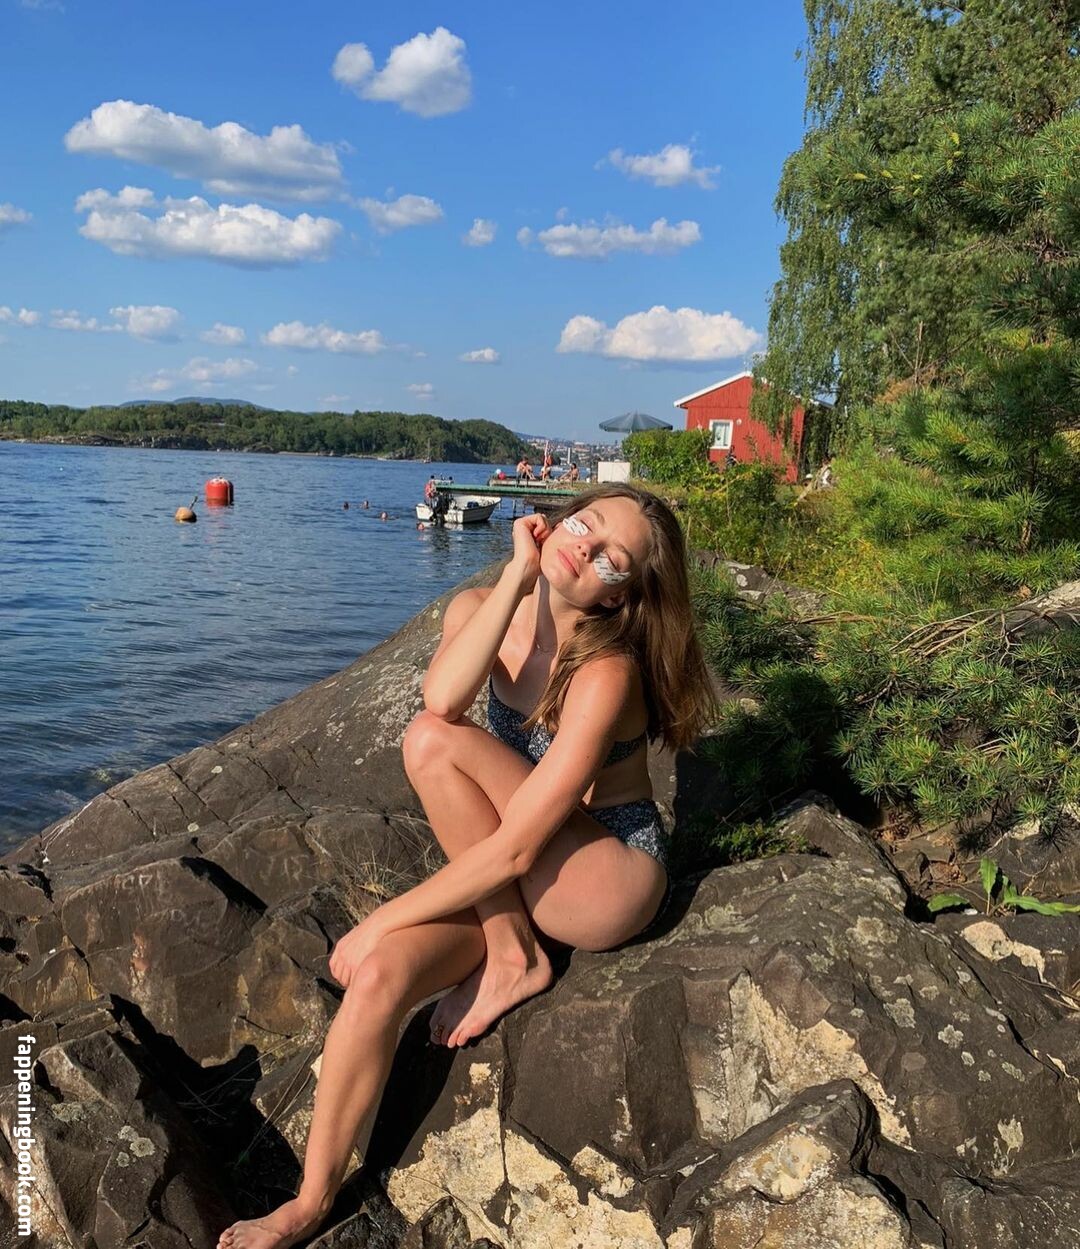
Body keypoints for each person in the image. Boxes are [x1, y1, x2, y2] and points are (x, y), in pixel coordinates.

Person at [216, 483, 719, 1249]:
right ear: (558, 520)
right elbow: (443, 695)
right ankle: (308, 1201)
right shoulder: (481, 607)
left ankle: (512, 956)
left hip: (599, 874)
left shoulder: (606, 673)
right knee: (381, 972)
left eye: (612, 557)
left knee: (429, 746)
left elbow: (512, 839)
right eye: (584, 524)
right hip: (518, 864)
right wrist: (517, 574)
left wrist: (383, 914)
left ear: (624, 594)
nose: (584, 548)